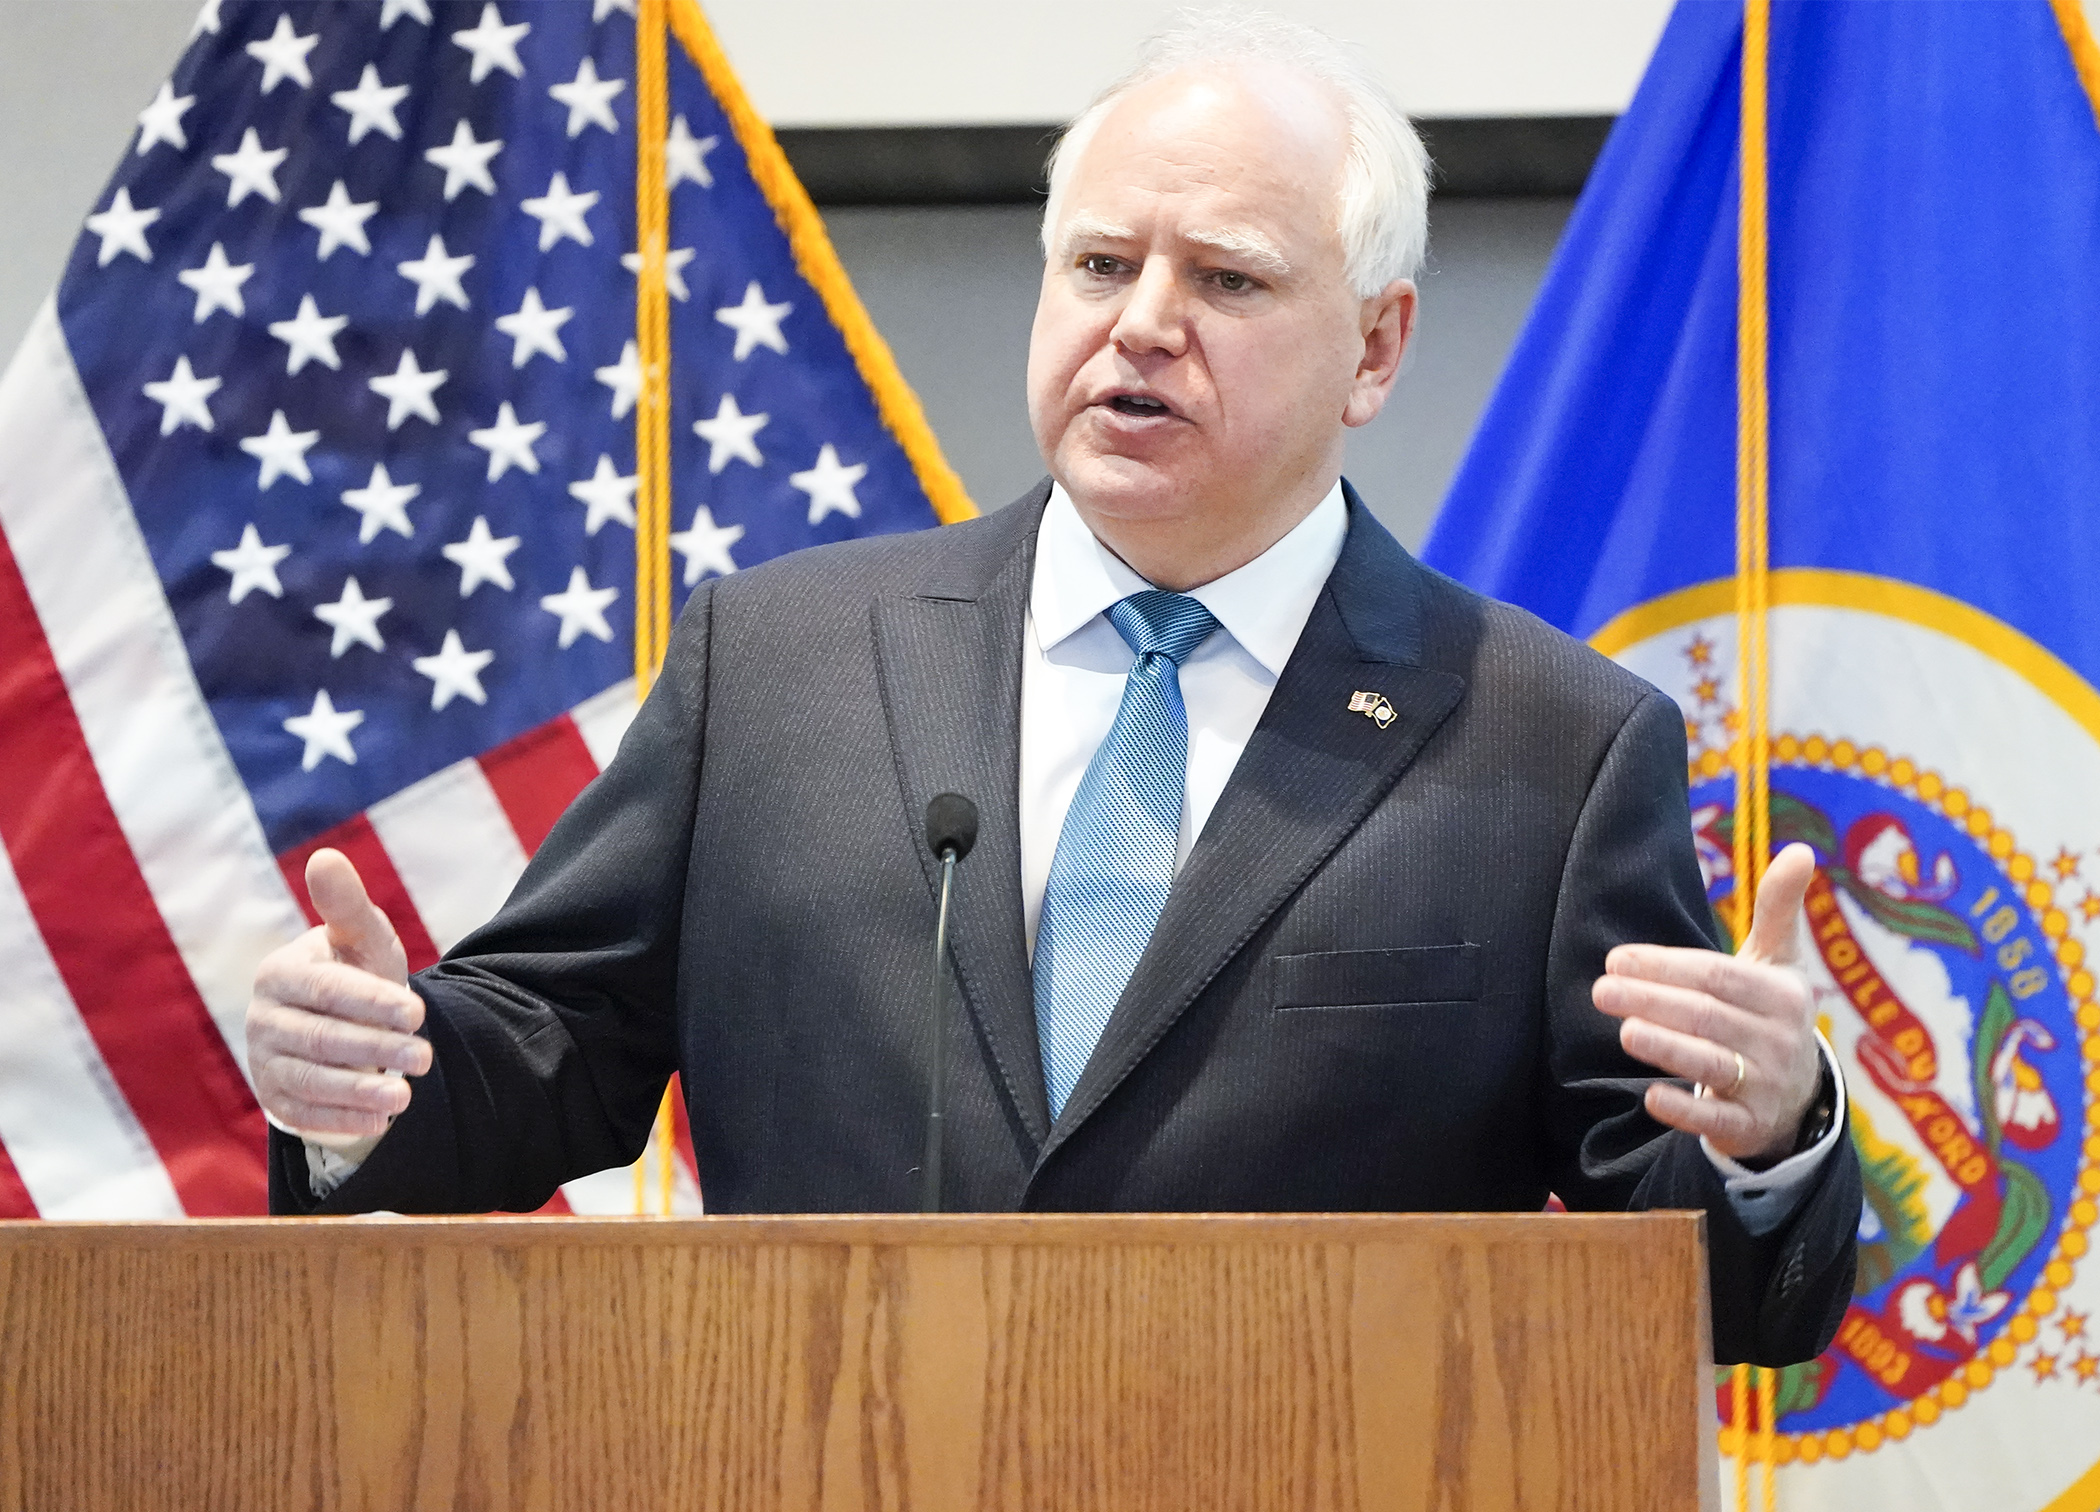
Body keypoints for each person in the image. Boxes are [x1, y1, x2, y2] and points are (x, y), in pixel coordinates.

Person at [246, 13, 1859, 1367]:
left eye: (1225, 281)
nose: (1141, 325)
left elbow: (1704, 1284)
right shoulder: (778, 664)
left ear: (1376, 349)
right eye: (1100, 262)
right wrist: (371, 1076)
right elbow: (551, 1049)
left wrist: (1770, 1135)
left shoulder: (1549, 744)